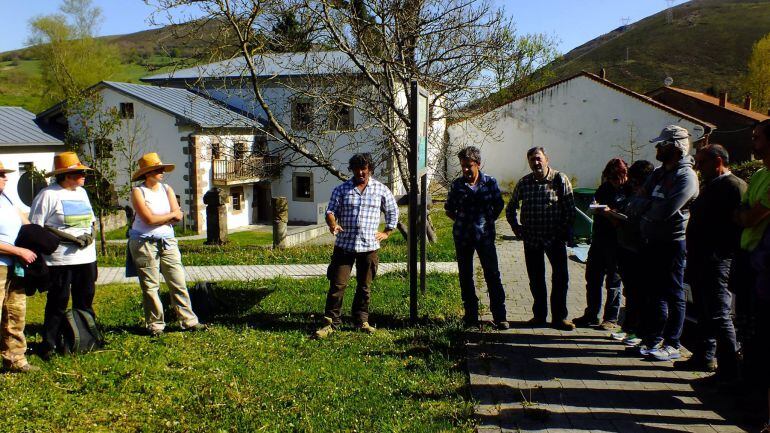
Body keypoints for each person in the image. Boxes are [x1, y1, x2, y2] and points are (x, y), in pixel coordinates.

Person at [674, 145, 745, 377]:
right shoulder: (711, 184)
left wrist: (720, 252)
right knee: (705, 311)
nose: (698, 168)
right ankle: (704, 357)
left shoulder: (733, 186)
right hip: (699, 257)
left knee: (718, 313)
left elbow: (738, 225)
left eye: (702, 163)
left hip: (717, 259)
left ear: (717, 161)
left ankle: (729, 370)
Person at [314, 153, 399, 339]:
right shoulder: (342, 189)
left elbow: (393, 210)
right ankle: (330, 323)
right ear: (352, 170)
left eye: (364, 168)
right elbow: (330, 211)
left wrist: (387, 232)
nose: (361, 172)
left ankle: (361, 321)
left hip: (369, 247)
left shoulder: (381, 189)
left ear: (370, 169)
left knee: (364, 286)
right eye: (357, 169)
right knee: (337, 285)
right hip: (344, 246)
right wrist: (332, 224)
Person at [637, 125, 699, 361]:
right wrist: (647, 206)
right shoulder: (659, 173)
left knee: (673, 293)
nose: (657, 148)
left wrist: (646, 206)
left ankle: (672, 343)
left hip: (672, 243)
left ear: (675, 147)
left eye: (662, 144)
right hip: (652, 240)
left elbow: (666, 211)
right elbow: (638, 199)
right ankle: (653, 339)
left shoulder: (686, 176)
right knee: (654, 293)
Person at [29, 152, 98, 359]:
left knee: (85, 298)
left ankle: (87, 336)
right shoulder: (48, 195)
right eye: (79, 172)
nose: (84, 175)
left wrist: (89, 236)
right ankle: (50, 343)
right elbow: (36, 227)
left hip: (86, 258)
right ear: (66, 175)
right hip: (60, 259)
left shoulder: (82, 193)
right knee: (58, 301)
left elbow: (91, 221)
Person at [128, 153, 205, 337]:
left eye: (161, 168)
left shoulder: (167, 189)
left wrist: (163, 218)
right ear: (147, 174)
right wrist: (168, 217)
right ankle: (155, 325)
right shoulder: (138, 192)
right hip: (144, 242)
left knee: (178, 281)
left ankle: (189, 321)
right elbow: (148, 219)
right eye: (157, 169)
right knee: (151, 286)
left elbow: (178, 216)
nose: (161, 172)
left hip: (168, 242)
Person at [506, 146, 576, 331]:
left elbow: (570, 209)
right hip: (532, 240)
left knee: (560, 278)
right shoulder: (524, 183)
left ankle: (559, 318)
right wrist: (516, 227)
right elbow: (511, 206)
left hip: (554, 239)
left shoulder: (560, 179)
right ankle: (539, 316)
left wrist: (562, 232)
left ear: (546, 159)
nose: (535, 163)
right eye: (532, 160)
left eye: (538, 158)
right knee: (536, 279)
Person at [445, 146, 508, 329]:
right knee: (466, 276)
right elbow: (449, 209)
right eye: (463, 166)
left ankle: (500, 315)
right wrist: (464, 221)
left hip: (485, 237)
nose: (465, 170)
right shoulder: (457, 185)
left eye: (469, 166)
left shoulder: (490, 183)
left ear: (478, 164)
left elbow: (498, 206)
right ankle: (470, 316)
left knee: (492, 275)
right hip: (463, 237)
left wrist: (485, 222)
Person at [734, 119, 770, 431]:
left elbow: (751, 216)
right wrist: (746, 214)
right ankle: (751, 401)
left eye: (758, 137)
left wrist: (746, 215)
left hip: (765, 265)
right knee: (749, 336)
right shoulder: (759, 174)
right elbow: (744, 211)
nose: (753, 142)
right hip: (750, 265)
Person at [574, 158, 628, 330]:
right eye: (610, 177)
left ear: (623, 175)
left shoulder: (629, 190)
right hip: (599, 239)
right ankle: (591, 314)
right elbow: (595, 202)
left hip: (617, 242)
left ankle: (611, 318)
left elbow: (626, 217)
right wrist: (595, 207)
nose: (613, 181)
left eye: (616, 178)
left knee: (613, 281)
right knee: (592, 278)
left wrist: (608, 213)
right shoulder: (605, 187)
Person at [610, 160, 654, 347]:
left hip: (641, 248)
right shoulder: (630, 191)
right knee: (630, 290)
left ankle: (639, 331)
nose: (632, 184)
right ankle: (628, 327)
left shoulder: (650, 195)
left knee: (640, 293)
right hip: (625, 245)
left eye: (636, 181)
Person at [0, 161, 39, 372]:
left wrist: (38, 237)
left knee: (15, 312)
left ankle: (15, 359)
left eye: (5, 174)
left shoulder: (6, 199)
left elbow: (25, 222)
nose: (5, 178)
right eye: (1, 174)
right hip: (3, 263)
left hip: (15, 266)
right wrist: (18, 251)